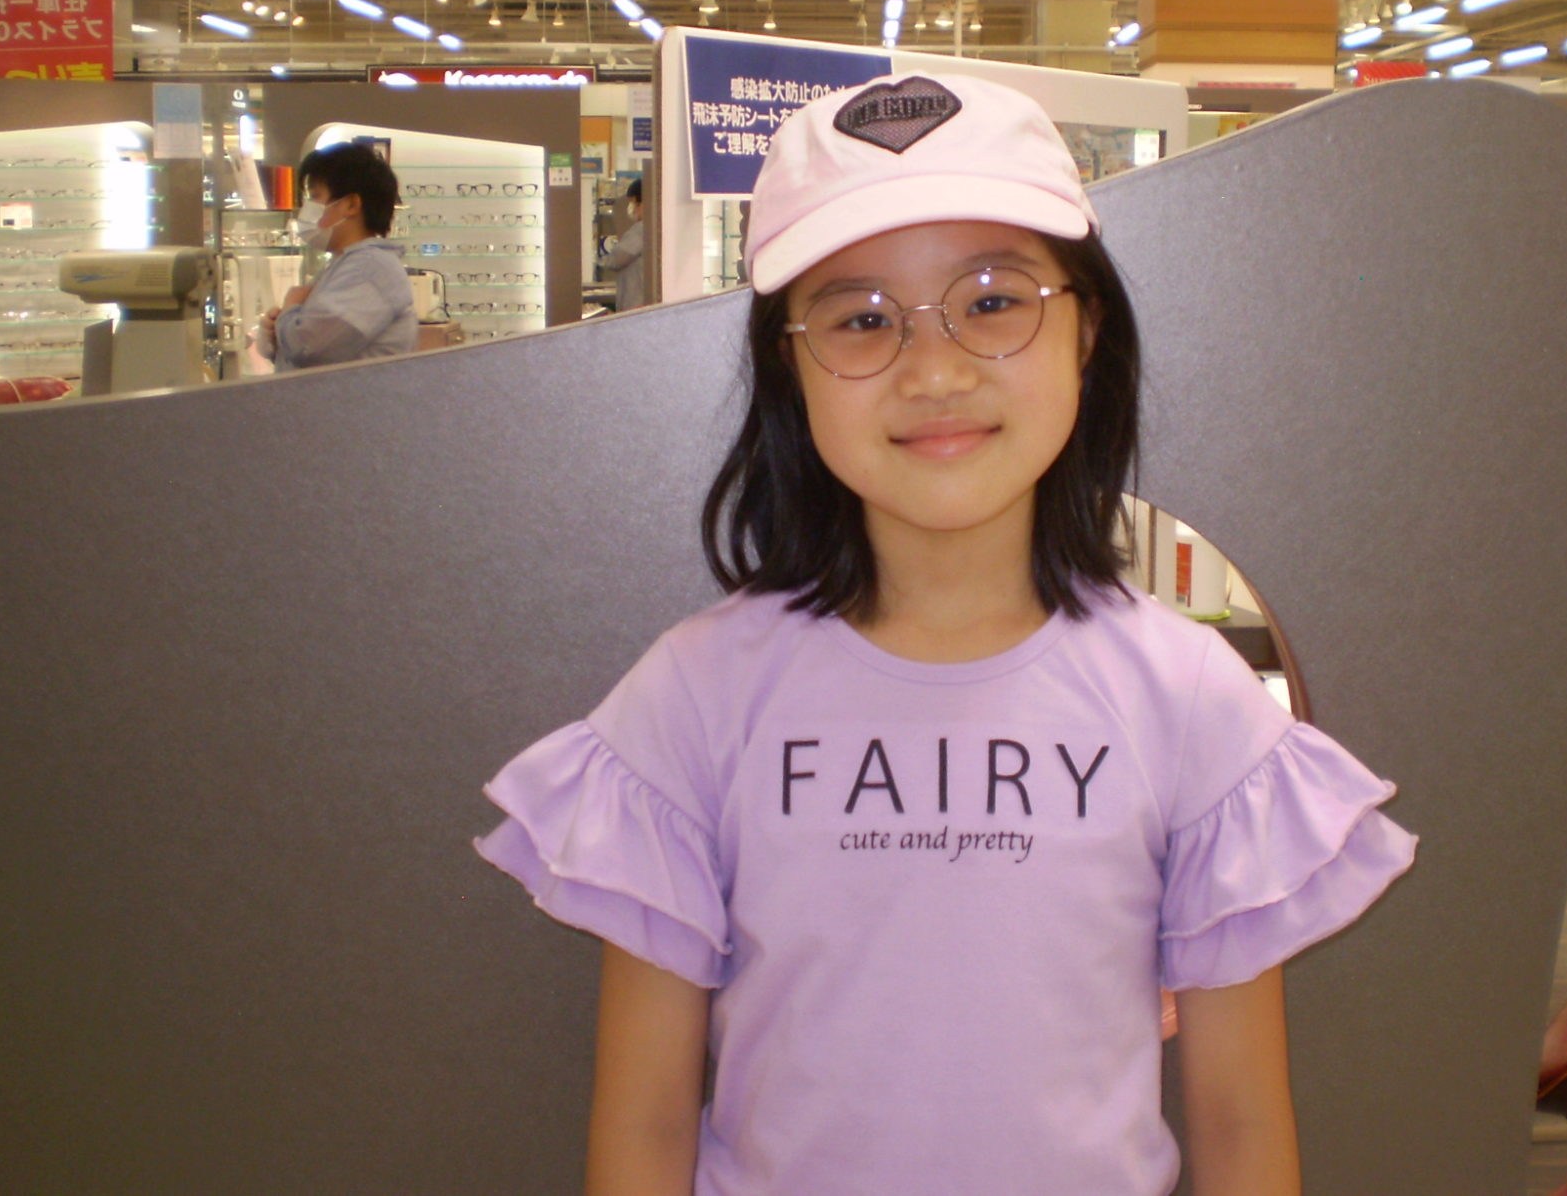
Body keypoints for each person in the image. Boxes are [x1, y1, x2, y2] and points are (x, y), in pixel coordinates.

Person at [475, 73, 1417, 1196]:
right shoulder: (695, 695)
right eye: (863, 319)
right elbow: (642, 1127)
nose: (933, 370)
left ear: (1086, 330)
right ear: (789, 366)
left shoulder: (1187, 696)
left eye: (992, 301)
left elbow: (1241, 1123)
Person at [261, 142, 419, 371]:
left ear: (351, 204)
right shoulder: (347, 264)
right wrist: (277, 333)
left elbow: (309, 347)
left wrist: (290, 308)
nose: (307, 208)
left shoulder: (369, 269)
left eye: (315, 196)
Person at [597, 179, 647, 311]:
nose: (631, 208)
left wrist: (603, 260)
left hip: (635, 305)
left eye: (633, 203)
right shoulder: (658, 227)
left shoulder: (641, 230)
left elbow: (616, 259)